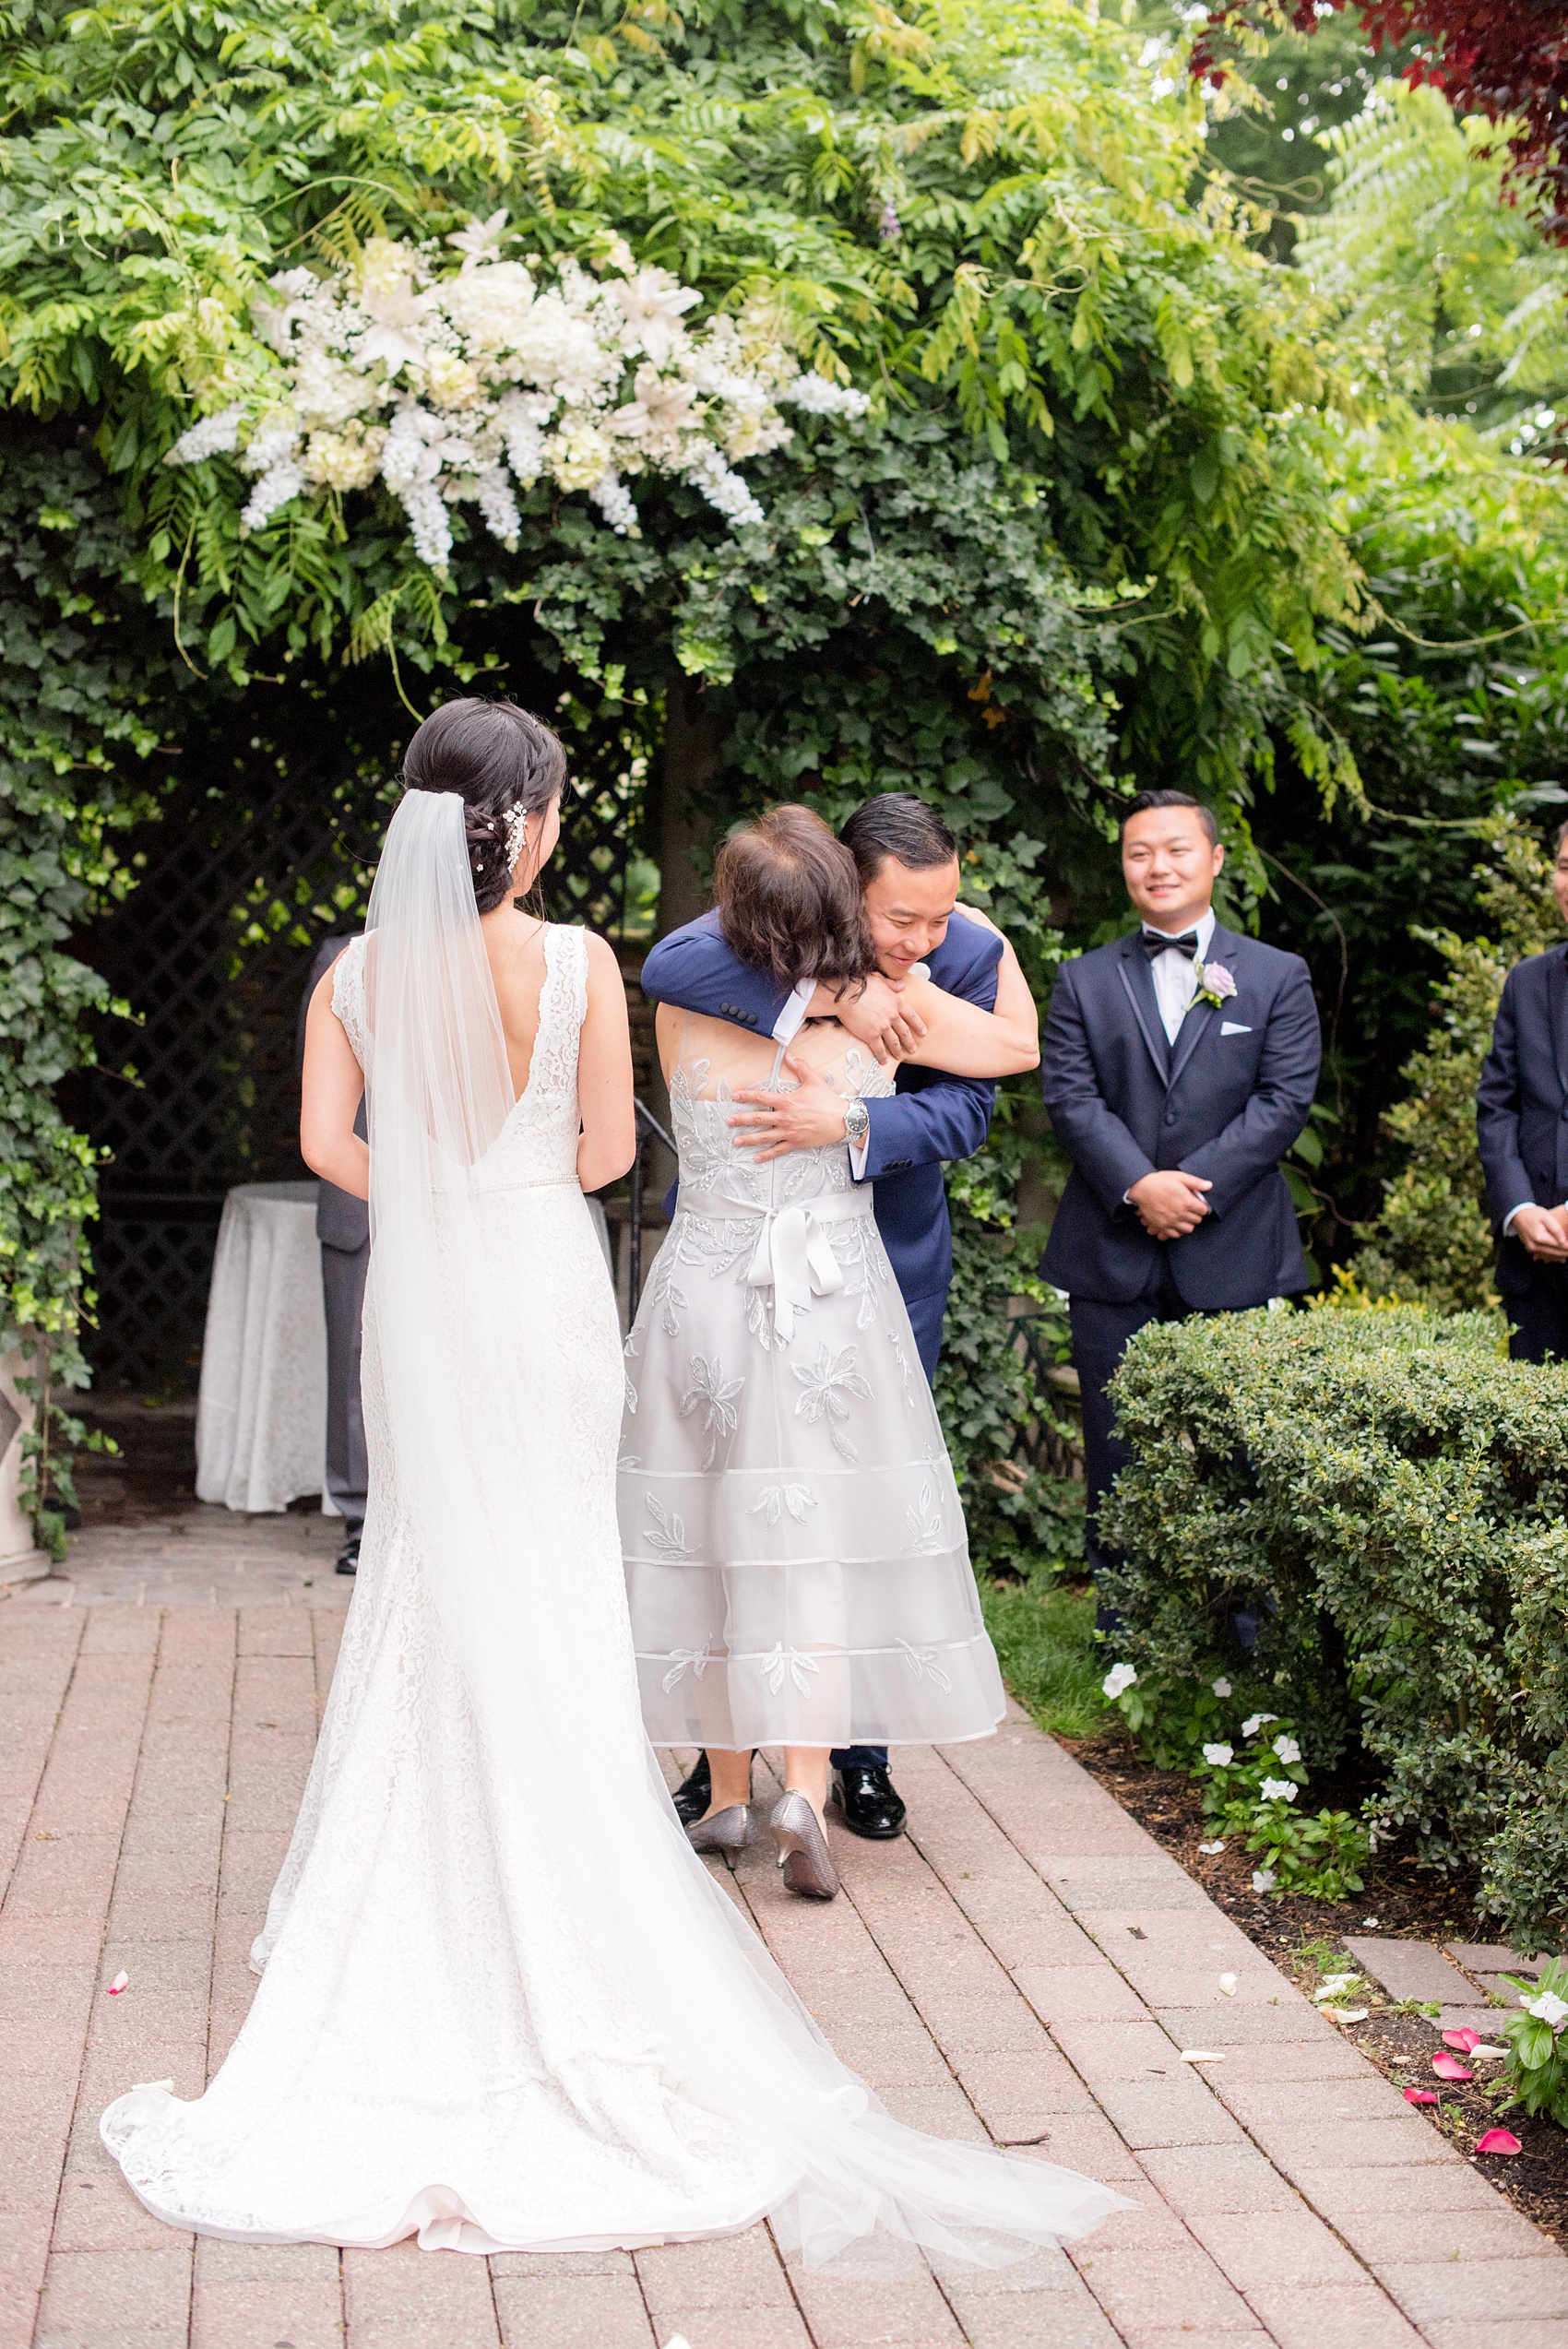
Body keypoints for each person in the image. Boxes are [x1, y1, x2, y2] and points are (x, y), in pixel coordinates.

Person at [99, 699, 1124, 2265]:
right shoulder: (576, 958)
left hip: (432, 1294)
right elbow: (595, 1159)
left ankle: (443, 1879)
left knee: (432, 1569)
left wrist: (433, 1180)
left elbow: (327, 1139)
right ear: (530, 821)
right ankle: (586, 1887)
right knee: (564, 1573)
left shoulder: (358, 970)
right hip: (541, 1288)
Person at [623, 806, 1039, 1898]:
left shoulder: (944, 954)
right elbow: (1013, 1042)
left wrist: (852, 1126)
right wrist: (830, 996)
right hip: (821, 1291)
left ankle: (799, 1776)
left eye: (939, 915)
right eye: (904, 917)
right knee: (813, 1530)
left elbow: (973, 1104)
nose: (925, 937)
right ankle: (779, 1781)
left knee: (725, 1524)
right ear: (845, 896)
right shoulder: (815, 991)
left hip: (749, 1283)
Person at [1039, 790, 1321, 1606]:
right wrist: (1139, 1185)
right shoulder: (1084, 980)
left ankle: (1239, 1638)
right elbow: (1072, 1099)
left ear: (1215, 858)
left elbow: (1283, 1102)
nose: (1157, 867)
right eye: (1138, 853)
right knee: (1116, 1452)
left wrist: (1190, 1191)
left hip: (1231, 1248)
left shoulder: (1276, 976)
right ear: (1124, 865)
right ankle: (1127, 1635)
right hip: (1110, 1253)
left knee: (1239, 1453)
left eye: (1175, 850)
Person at [1477, 819, 1568, 1359]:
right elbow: (1497, 1105)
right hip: (1535, 1271)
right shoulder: (1529, 981)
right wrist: (1519, 1208)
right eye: (1564, 867)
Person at [297, 934, 369, 1573]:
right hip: (357, 1197)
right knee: (352, 1366)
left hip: (459, 1197)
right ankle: (359, 1520)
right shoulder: (342, 959)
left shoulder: (492, 961)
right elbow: (318, 1084)